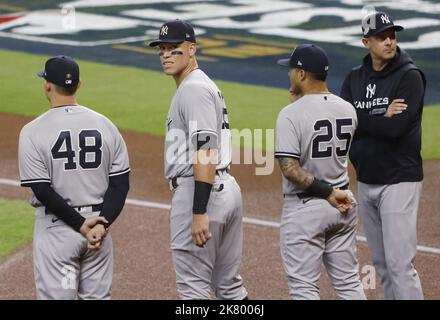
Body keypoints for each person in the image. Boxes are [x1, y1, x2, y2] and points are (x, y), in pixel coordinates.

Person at [149, 19, 248, 300]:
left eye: (174, 48)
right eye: (162, 49)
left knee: (193, 289)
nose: (166, 54)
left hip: (201, 190)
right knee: (229, 286)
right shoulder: (200, 85)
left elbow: (205, 150)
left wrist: (198, 211)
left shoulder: (193, 89)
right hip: (223, 187)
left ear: (192, 49)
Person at [18, 55, 130, 299]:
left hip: (59, 232)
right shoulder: (106, 125)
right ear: (78, 84)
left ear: (47, 84)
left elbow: (42, 190)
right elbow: (120, 184)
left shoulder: (32, 131)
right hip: (99, 232)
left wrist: (80, 225)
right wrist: (101, 223)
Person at [340, 11, 426, 300]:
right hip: (366, 179)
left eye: (392, 35)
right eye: (381, 36)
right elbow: (344, 124)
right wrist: (379, 114)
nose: (389, 41)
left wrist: (361, 119)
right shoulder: (354, 78)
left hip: (399, 179)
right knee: (382, 265)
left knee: (399, 265)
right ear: (367, 42)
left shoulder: (409, 76)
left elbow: (396, 129)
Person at [275, 44, 366, 300]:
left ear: (302, 74)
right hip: (344, 204)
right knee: (349, 283)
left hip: (307, 208)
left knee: (304, 289)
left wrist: (326, 192)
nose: (289, 74)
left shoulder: (289, 115)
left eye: (292, 70)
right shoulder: (348, 109)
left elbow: (290, 169)